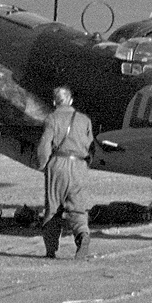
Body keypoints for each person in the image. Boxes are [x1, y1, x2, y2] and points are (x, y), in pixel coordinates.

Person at [37, 86, 95, 259]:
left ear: (55, 102)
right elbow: (91, 145)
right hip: (78, 165)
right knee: (78, 208)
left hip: (58, 164)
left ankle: (51, 250)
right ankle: (83, 235)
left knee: (53, 208)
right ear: (70, 100)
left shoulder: (51, 119)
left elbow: (44, 146)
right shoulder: (84, 120)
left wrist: (42, 164)